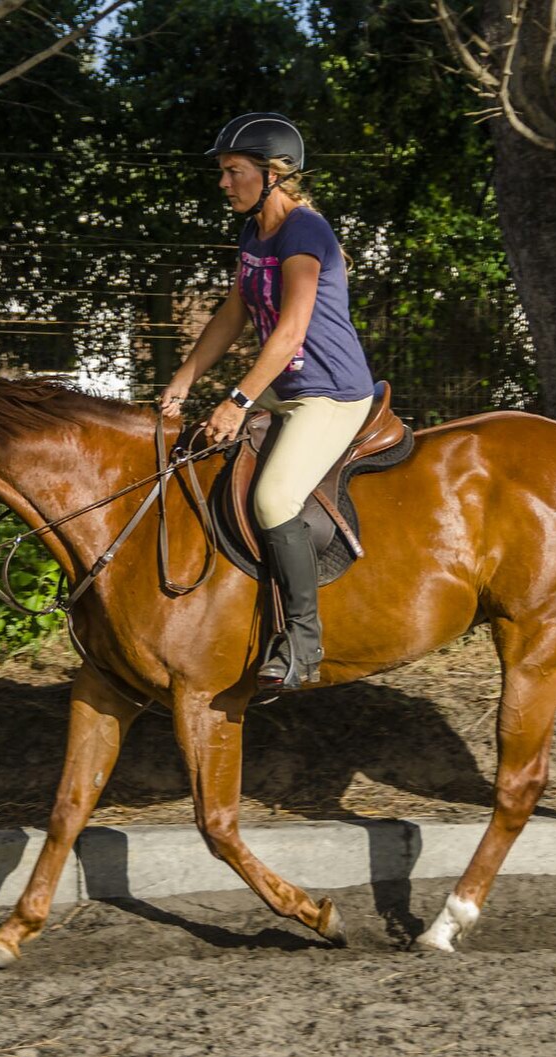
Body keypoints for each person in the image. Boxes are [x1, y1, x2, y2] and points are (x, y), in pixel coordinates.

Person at [160, 112, 375, 690]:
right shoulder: (255, 232)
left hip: (329, 395)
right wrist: (186, 374)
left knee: (276, 497)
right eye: (224, 172)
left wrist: (235, 400)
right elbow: (235, 312)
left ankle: (304, 642)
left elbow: (288, 333)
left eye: (234, 171)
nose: (224, 183)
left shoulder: (304, 233)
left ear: (274, 174)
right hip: (286, 391)